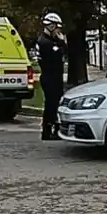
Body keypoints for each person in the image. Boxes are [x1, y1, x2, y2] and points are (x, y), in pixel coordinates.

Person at [36, 12, 68, 140]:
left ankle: (53, 129)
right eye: (56, 27)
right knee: (51, 105)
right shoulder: (45, 42)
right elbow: (58, 54)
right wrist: (61, 42)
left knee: (54, 104)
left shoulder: (49, 41)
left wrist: (61, 43)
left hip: (54, 77)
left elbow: (64, 53)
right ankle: (47, 130)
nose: (58, 30)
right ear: (50, 26)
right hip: (50, 77)